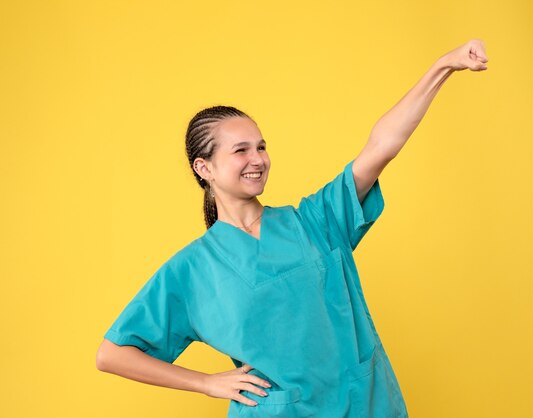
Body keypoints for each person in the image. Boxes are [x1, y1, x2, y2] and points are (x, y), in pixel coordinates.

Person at [96, 39, 488, 418]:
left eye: (261, 146)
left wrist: (444, 66)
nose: (258, 159)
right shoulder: (193, 270)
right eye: (241, 150)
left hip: (363, 404)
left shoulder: (316, 221)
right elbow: (113, 354)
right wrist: (206, 382)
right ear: (204, 168)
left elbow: (382, 145)